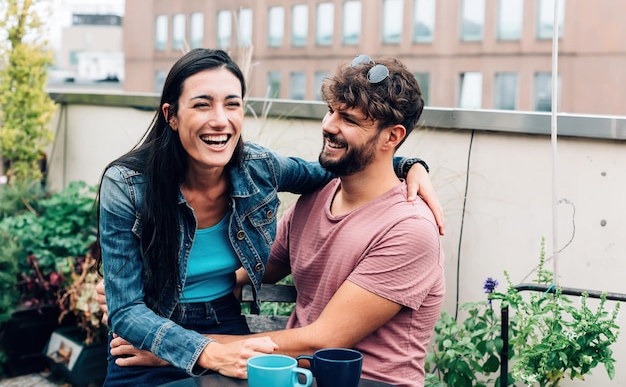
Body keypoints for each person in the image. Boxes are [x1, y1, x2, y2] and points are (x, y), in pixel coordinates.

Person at [97, 48, 442, 386]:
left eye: (348, 119)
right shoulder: (128, 184)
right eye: (330, 111)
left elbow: (322, 339)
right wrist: (144, 310)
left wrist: (184, 349)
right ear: (171, 115)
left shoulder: (408, 227)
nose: (328, 125)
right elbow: (260, 264)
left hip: (355, 377)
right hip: (272, 365)